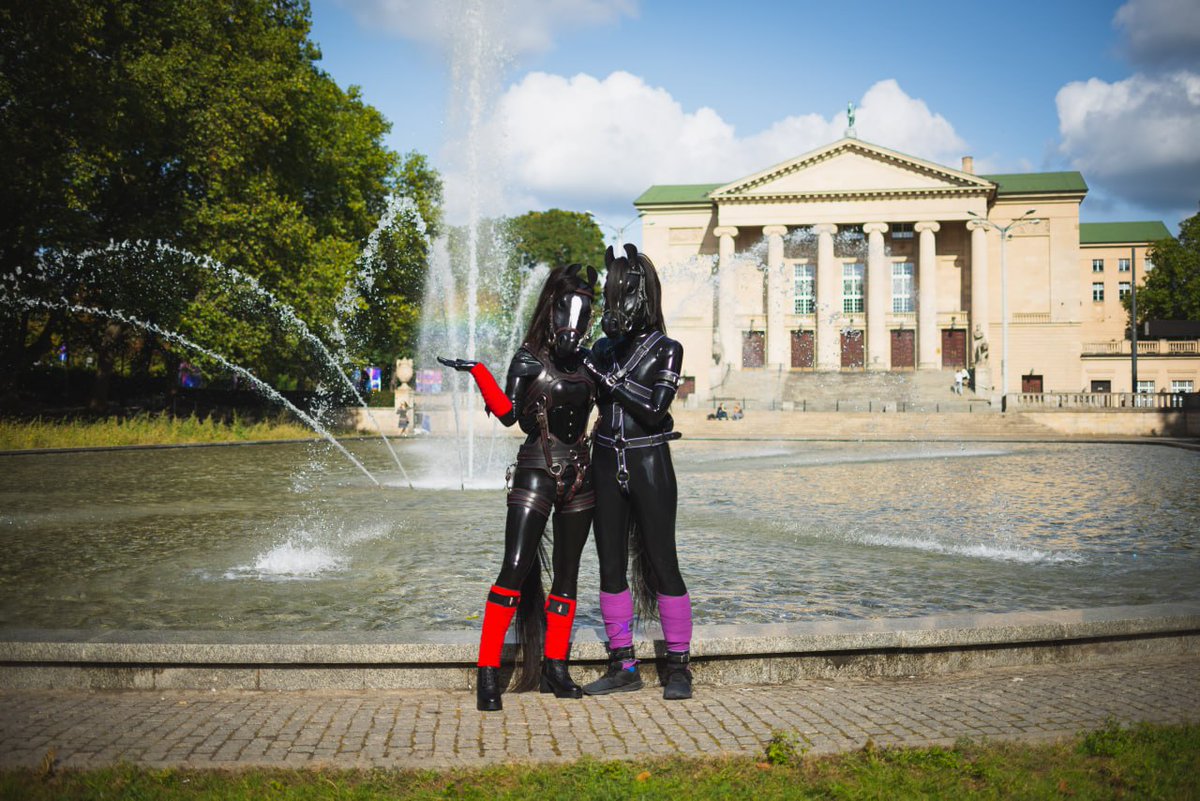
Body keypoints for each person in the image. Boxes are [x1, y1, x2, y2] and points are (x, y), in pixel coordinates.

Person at [439, 264, 599, 712]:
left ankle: (555, 667)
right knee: (515, 565)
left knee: (567, 576)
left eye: (583, 315)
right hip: (536, 469)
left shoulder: (590, 364)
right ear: (551, 311)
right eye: (568, 312)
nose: (574, 325)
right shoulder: (528, 358)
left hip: (580, 477)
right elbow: (510, 416)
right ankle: (487, 672)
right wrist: (480, 372)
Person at [581, 244, 694, 701]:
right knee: (610, 566)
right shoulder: (602, 349)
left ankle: (679, 665)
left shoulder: (668, 349)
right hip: (605, 463)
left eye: (622, 295)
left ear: (643, 295)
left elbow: (654, 410)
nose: (614, 307)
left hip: (650, 463)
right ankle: (622, 662)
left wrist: (607, 380)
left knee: (664, 562)